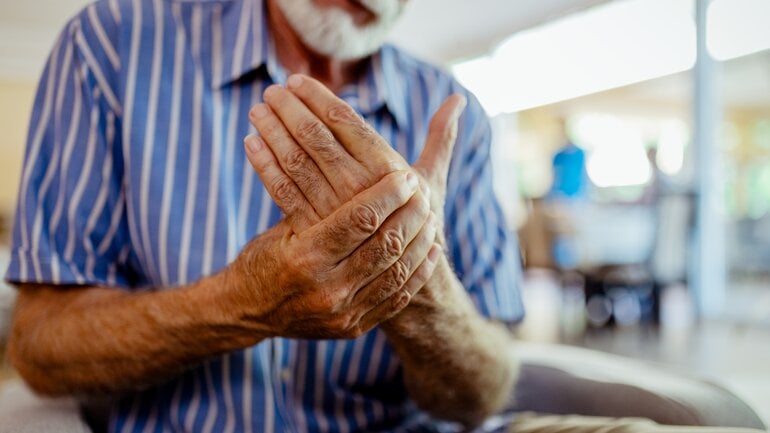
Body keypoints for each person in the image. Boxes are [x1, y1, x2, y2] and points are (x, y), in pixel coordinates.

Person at [3, 1, 765, 433]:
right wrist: (240, 303)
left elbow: (484, 388)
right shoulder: (112, 44)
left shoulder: (451, 106)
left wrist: (421, 286)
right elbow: (39, 344)